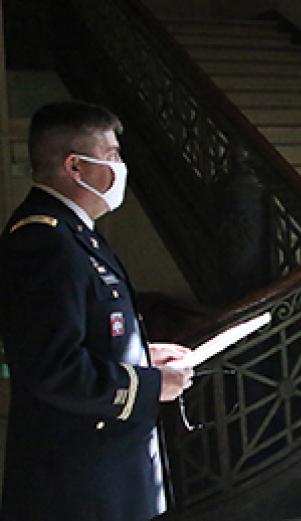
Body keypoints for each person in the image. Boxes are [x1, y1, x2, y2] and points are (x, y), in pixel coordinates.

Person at [0, 101, 194, 520]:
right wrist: (147, 386)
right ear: (76, 167)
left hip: (110, 471)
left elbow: (91, 331)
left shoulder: (77, 234)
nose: (121, 166)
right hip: (77, 483)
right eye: (111, 156)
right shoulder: (44, 240)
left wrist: (144, 354)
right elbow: (52, 366)